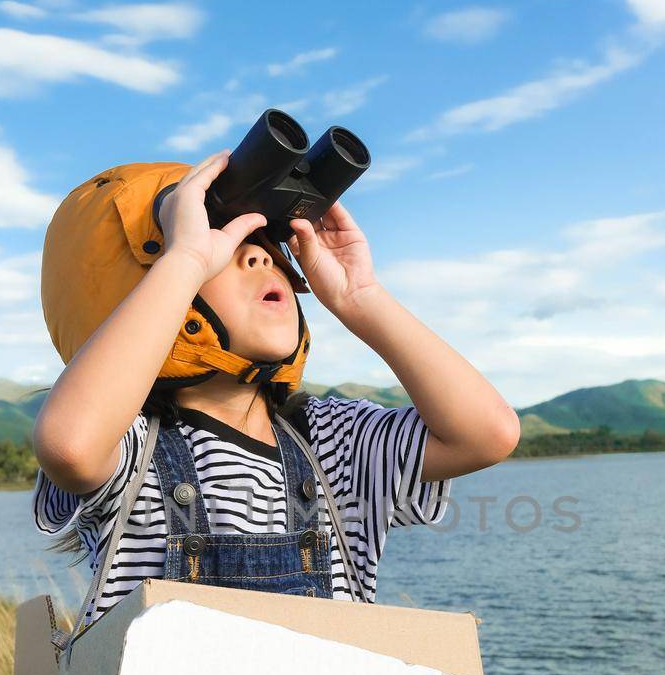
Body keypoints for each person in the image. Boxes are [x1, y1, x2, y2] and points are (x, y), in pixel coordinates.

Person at [32, 148, 518, 633]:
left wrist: (360, 297)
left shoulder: (331, 444)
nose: (261, 254)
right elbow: (70, 445)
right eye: (221, 242)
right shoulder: (131, 448)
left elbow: (487, 433)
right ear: (144, 286)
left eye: (267, 241)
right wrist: (187, 257)